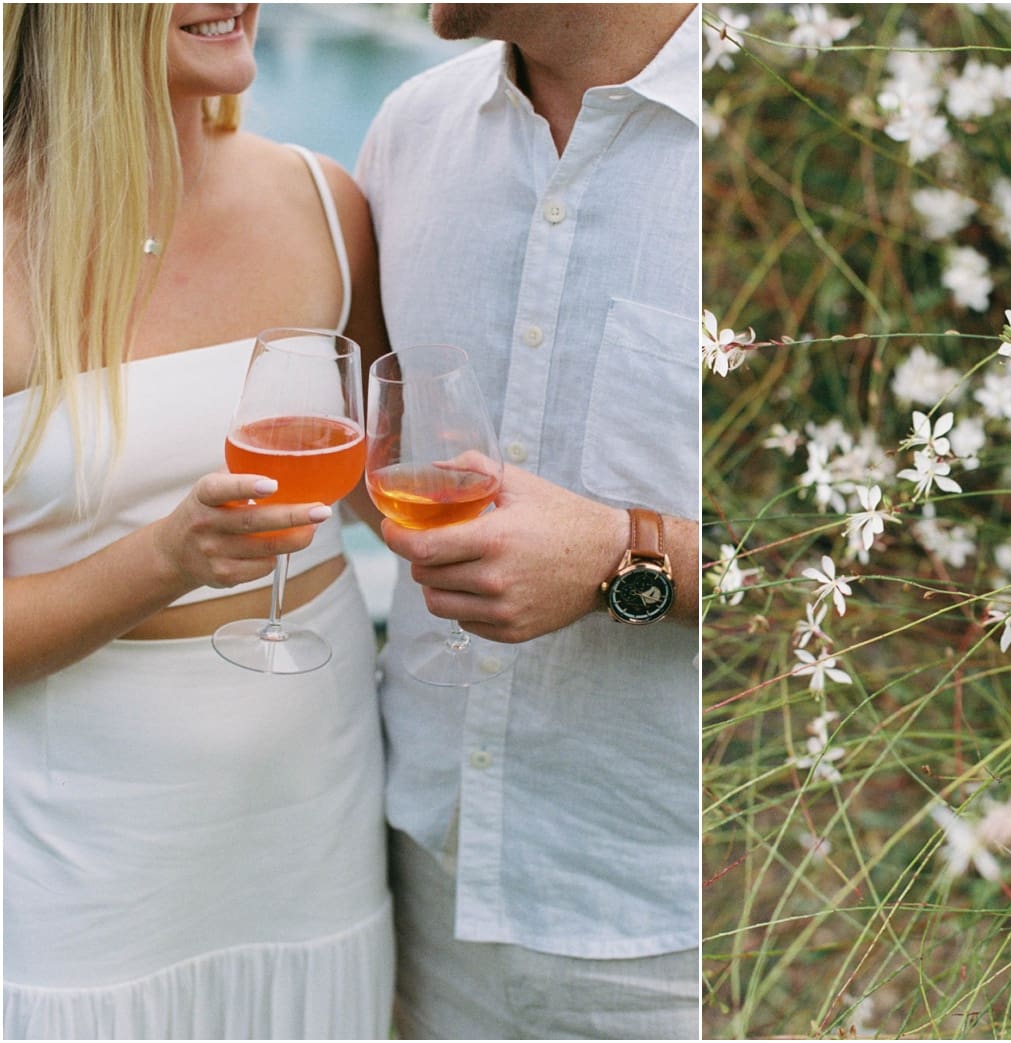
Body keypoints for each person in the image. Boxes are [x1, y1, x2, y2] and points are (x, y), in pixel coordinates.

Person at [2, 4, 393, 1038]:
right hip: (88, 859)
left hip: (316, 814)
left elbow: (373, 476)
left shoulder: (326, 200)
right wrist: (166, 559)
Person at [355, 3, 701, 1038]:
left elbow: (902, 570)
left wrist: (618, 553)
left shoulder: (803, 165)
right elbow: (372, 456)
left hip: (679, 921)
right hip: (420, 871)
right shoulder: (407, 133)